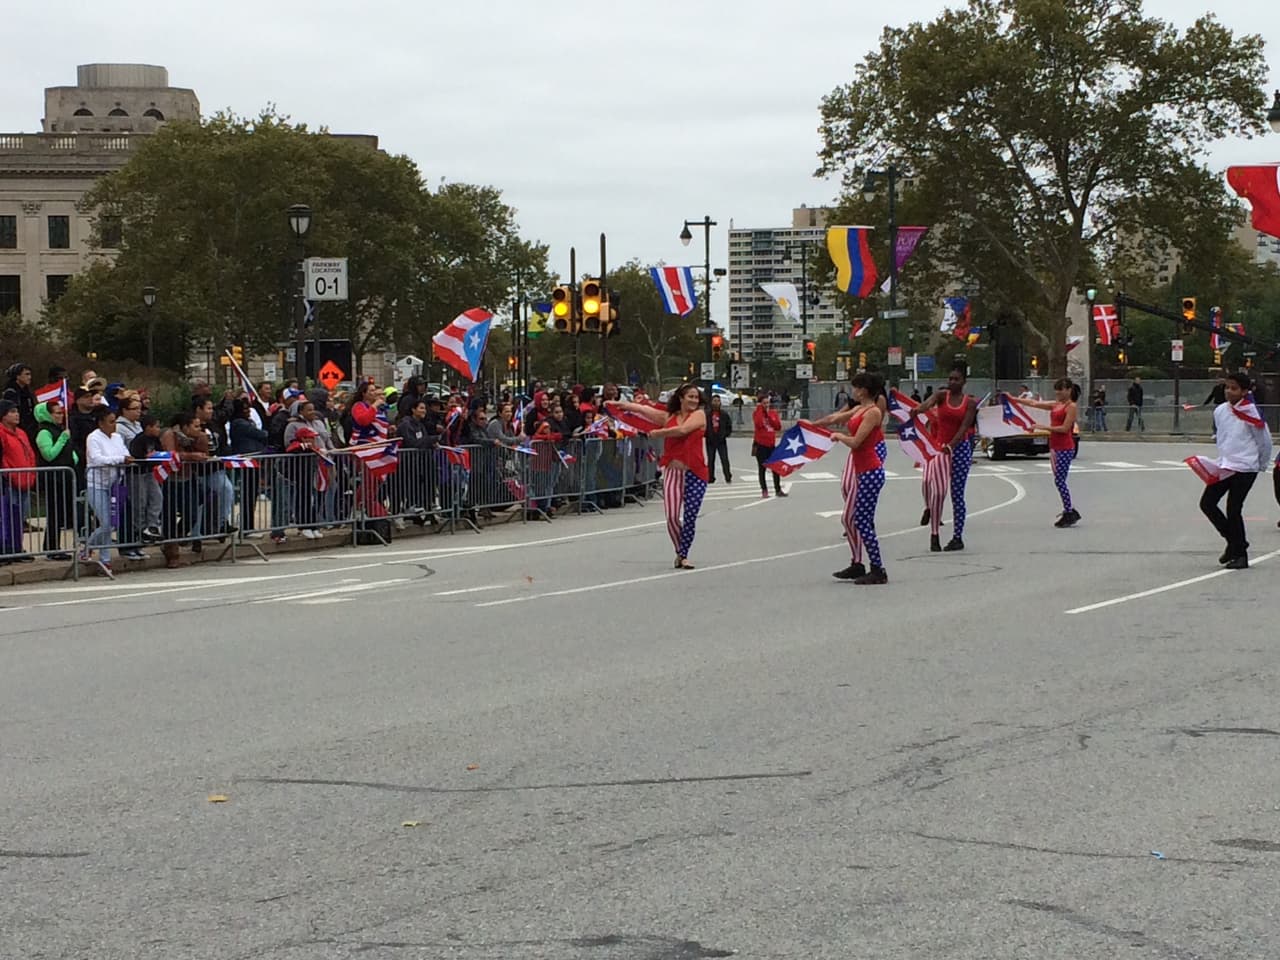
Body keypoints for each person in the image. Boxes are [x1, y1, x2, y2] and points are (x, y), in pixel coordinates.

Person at [614, 383, 707, 568]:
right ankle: (680, 551)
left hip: (695, 473)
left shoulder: (699, 415)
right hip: (673, 472)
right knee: (672, 516)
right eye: (690, 396)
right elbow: (645, 410)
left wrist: (658, 433)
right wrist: (623, 406)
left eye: (696, 397)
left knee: (690, 516)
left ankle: (683, 554)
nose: (694, 400)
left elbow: (683, 430)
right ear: (681, 398)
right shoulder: (669, 417)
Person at [1199, 372, 1272, 569]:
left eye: (1234, 388)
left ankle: (1240, 555)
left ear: (1244, 391)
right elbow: (1222, 436)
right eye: (1227, 387)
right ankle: (1234, 542)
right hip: (1225, 465)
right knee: (1207, 503)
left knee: (1233, 509)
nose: (1229, 392)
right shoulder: (1221, 410)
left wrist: (1261, 464)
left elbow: (1264, 441)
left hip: (1246, 467)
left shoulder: (1251, 412)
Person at [829, 373, 888, 585]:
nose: (854, 391)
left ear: (864, 390)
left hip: (871, 471)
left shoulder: (872, 412)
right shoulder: (860, 409)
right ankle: (866, 565)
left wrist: (839, 436)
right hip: (864, 471)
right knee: (860, 520)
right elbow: (835, 418)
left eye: (856, 387)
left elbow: (856, 442)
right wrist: (811, 425)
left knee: (862, 521)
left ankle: (877, 568)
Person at [911, 365, 978, 550]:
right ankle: (932, 515)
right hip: (939, 448)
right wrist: (918, 409)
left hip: (960, 448)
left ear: (964, 382)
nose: (952, 382)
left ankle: (958, 537)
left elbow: (965, 427)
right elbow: (928, 404)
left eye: (956, 379)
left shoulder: (969, 403)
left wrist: (952, 445)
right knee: (936, 488)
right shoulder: (942, 396)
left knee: (957, 493)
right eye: (950, 378)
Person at [1016, 378, 1081, 527]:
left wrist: (1043, 427)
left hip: (1065, 447)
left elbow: (1065, 429)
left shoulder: (1071, 407)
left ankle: (1069, 511)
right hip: (1055, 446)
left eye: (1061, 389)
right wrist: (1014, 400)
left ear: (1069, 390)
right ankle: (1069, 510)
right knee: (1058, 480)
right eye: (1056, 389)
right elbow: (1034, 403)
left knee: (1060, 480)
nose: (1058, 392)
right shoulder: (1056, 404)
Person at [83, 404, 135, 576]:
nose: (114, 425)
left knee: (112, 523)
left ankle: (105, 559)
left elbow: (125, 453)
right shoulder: (93, 438)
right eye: (111, 422)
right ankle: (88, 547)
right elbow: (97, 459)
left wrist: (126, 459)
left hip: (114, 485)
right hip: (96, 484)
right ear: (101, 423)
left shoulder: (117, 437)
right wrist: (120, 459)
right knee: (106, 522)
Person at [33, 400, 76, 560]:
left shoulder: (58, 429)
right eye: (57, 413)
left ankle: (55, 546)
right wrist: (63, 438)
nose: (60, 416)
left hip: (63, 477)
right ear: (47, 415)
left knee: (60, 514)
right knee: (54, 514)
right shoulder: (44, 432)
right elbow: (49, 454)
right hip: (52, 478)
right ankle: (51, 548)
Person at [0, 398, 37, 562]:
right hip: (11, 482)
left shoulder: (21, 432)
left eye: (17, 411)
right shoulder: (1, 432)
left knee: (21, 516)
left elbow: (30, 454)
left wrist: (32, 474)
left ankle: (18, 547)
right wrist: (11, 475)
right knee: (9, 517)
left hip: (25, 480)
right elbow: (4, 458)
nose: (16, 415)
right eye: (12, 412)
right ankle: (8, 548)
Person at [751, 392, 785, 498]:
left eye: (768, 403)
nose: (766, 405)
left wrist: (769, 416)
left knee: (775, 467)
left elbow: (778, 426)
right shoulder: (757, 413)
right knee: (762, 469)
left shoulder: (773, 413)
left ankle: (778, 489)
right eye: (764, 403)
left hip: (771, 444)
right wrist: (761, 411)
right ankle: (764, 490)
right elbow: (759, 424)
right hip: (760, 444)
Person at [2, 363, 37, 442]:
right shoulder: (11, 392)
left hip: (30, 428)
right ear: (18, 376)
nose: (29, 377)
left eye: (30, 374)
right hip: (18, 428)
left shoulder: (27, 391)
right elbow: (10, 413)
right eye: (26, 374)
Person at [705, 394, 733, 483]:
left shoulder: (724, 414)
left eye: (718, 401)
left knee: (724, 459)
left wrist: (725, 434)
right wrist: (707, 435)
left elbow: (729, 426)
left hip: (721, 440)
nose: (716, 403)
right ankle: (710, 477)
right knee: (710, 459)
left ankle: (727, 476)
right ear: (711, 402)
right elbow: (703, 426)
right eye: (714, 401)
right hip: (710, 440)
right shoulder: (707, 414)